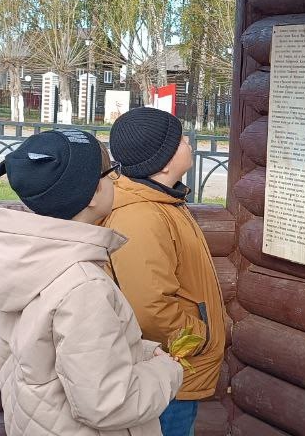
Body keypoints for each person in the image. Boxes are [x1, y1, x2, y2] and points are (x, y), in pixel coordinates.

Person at [0, 129, 183, 435]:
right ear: (93, 193)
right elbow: (107, 403)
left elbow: (54, 352)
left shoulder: (31, 262)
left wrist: (139, 352)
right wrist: (167, 370)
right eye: (111, 173)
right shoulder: (83, 285)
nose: (116, 181)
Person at [105, 107, 226, 436]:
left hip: (171, 368)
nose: (189, 143)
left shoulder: (162, 202)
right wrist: (197, 338)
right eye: (182, 139)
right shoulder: (141, 216)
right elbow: (150, 308)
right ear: (164, 161)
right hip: (165, 373)